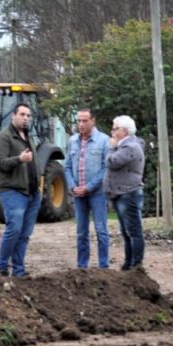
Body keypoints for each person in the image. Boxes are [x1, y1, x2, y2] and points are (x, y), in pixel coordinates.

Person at [0, 102, 42, 277]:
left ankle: (19, 270)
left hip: (32, 193)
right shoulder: (4, 137)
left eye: (28, 115)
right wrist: (20, 159)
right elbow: (0, 163)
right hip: (13, 191)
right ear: (13, 116)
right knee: (14, 229)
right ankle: (1, 265)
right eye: (22, 114)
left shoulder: (28, 137)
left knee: (25, 233)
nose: (26, 118)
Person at [64, 107, 110, 269]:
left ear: (93, 121)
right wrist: (72, 186)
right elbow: (67, 167)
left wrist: (89, 187)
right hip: (78, 194)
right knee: (81, 232)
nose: (81, 124)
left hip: (97, 193)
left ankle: (104, 266)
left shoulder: (104, 140)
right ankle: (82, 266)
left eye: (84, 121)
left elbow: (106, 168)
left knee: (101, 230)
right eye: (78, 121)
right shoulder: (72, 141)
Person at [104, 115, 145, 270]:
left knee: (133, 231)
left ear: (125, 131)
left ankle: (136, 265)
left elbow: (111, 162)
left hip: (129, 194)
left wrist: (111, 147)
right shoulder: (125, 146)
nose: (112, 132)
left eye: (115, 128)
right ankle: (128, 264)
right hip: (121, 193)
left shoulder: (130, 147)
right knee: (126, 232)